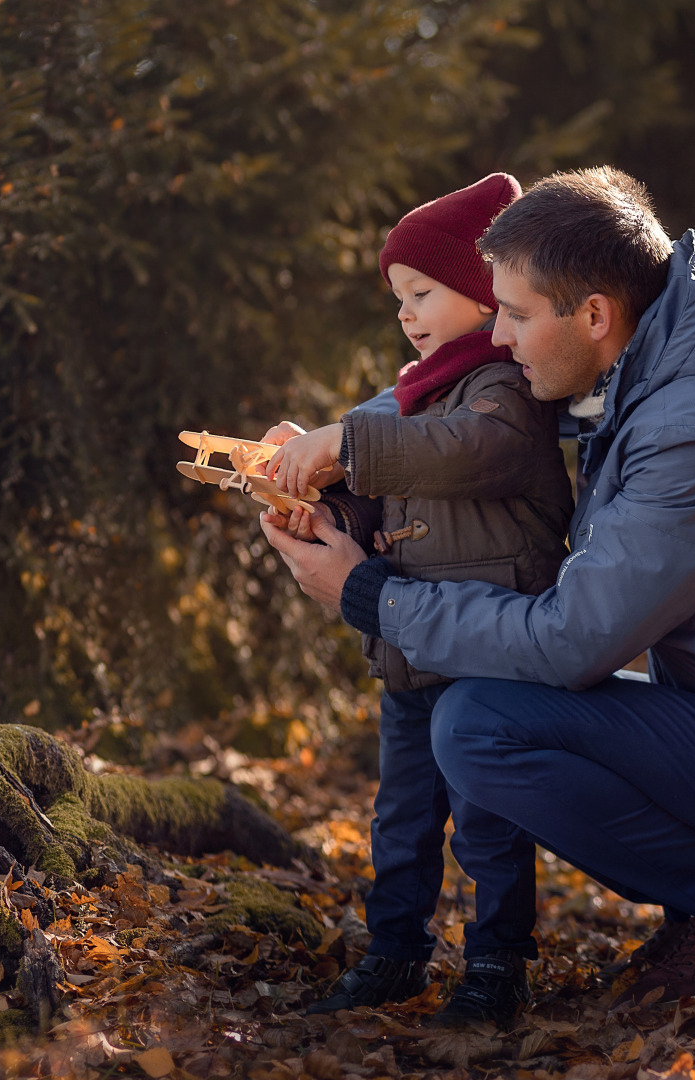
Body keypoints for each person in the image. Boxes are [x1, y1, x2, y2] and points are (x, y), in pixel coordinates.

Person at [260, 166, 695, 1008]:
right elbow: (437, 413)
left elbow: (572, 641)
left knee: (478, 725)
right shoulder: (658, 372)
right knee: (489, 712)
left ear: (596, 314)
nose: (497, 339)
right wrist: (335, 457)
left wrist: (369, 597)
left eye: (516, 314)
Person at [261, 173, 574, 1027]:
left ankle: (497, 963)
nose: (405, 313)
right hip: (407, 645)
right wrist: (323, 503)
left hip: (484, 653)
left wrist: (349, 442)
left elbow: (463, 456)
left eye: (423, 292)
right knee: (400, 819)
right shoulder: (415, 394)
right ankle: (395, 950)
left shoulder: (504, 392)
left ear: (484, 293)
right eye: (399, 297)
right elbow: (392, 498)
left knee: (488, 824)